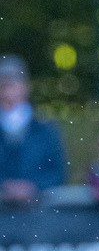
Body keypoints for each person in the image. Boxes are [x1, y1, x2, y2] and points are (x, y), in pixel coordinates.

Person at [0, 54, 66, 203]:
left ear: (26, 86)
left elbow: (58, 173)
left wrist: (33, 187)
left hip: (39, 214)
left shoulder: (46, 130)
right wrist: (5, 187)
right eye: (3, 85)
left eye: (13, 83)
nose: (8, 91)